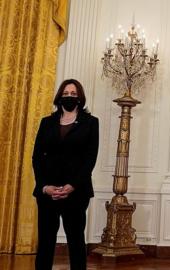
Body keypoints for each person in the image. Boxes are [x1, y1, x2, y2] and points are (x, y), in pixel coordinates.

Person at [32, 79, 99, 270]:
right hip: (47, 192)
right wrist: (44, 187)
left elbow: (90, 159)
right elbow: (37, 157)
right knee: (45, 242)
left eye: (74, 94)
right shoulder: (47, 122)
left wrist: (72, 185)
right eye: (66, 93)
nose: (69, 97)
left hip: (76, 192)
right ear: (59, 96)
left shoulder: (91, 123)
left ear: (80, 98)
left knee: (76, 241)